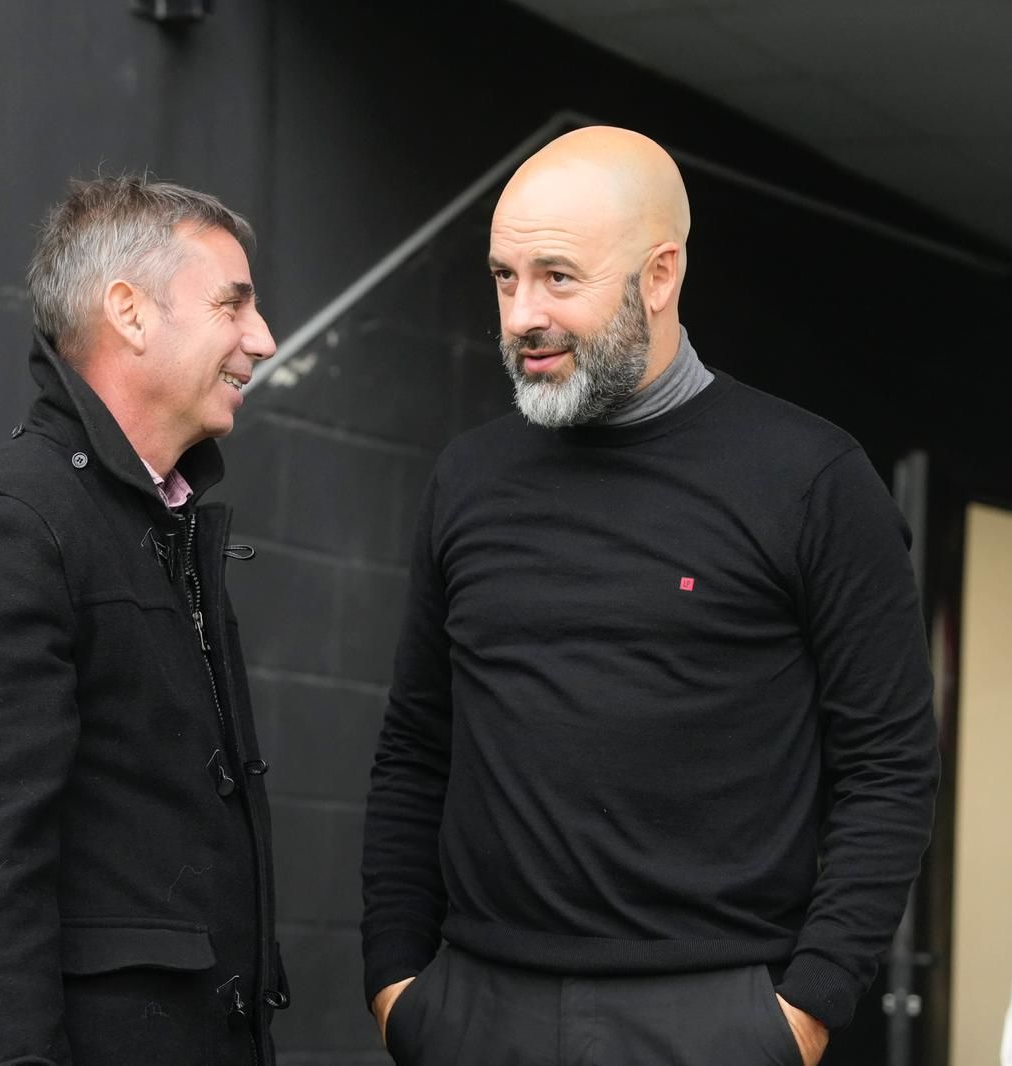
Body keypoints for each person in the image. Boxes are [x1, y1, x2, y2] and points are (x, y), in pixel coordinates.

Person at [360, 127, 939, 1065]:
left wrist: (803, 1011)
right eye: (504, 278)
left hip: (714, 1017)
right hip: (472, 1007)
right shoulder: (467, 478)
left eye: (557, 277)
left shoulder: (812, 477)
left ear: (659, 276)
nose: (520, 316)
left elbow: (889, 763)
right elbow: (416, 744)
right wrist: (398, 984)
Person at [0, 176, 286, 1066]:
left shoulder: (155, 521)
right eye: (233, 304)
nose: (262, 339)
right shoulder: (3, 531)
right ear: (130, 313)